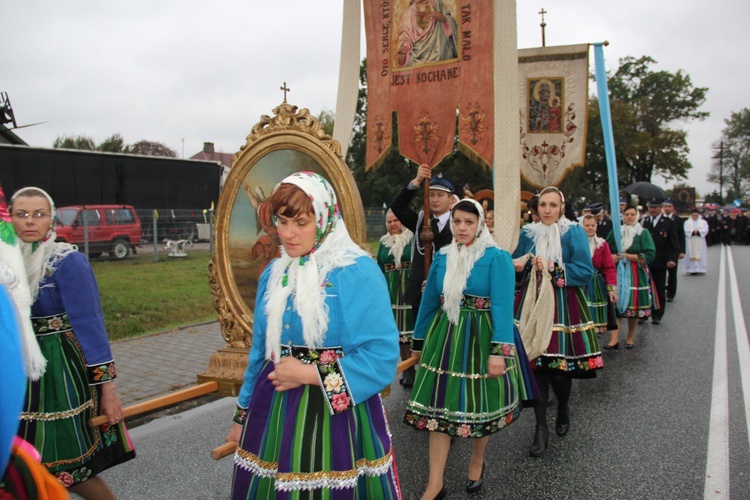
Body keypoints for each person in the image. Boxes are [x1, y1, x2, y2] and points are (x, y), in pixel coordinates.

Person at [226, 172, 400, 499]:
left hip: (337, 419)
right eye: (281, 221)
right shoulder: (274, 274)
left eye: (301, 223)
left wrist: (308, 373)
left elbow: (381, 357)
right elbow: (260, 352)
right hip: (273, 412)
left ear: (324, 218)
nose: (287, 234)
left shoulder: (356, 271)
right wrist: (241, 417)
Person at [404, 199, 535, 499]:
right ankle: (435, 483)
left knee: (479, 404)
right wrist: (419, 343)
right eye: (457, 222)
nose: (461, 228)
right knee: (438, 410)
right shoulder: (442, 257)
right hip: (445, 338)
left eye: (468, 222)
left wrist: (499, 352)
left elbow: (502, 306)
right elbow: (428, 304)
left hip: (480, 337)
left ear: (480, 225)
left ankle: (477, 459)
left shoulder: (496, 257)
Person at [10, 187, 135, 499]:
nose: (30, 221)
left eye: (39, 214)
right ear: (9, 218)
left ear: (52, 219)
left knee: (64, 467)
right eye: (21, 214)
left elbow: (91, 325)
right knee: (20, 465)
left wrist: (108, 390)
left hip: (60, 377)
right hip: (15, 373)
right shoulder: (6, 262)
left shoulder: (67, 261)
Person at [512, 186, 601, 458]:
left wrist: (553, 268)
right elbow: (517, 266)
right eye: (543, 205)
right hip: (532, 302)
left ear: (562, 207)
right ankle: (540, 428)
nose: (547, 210)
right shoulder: (527, 233)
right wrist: (525, 264)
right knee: (536, 364)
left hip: (563, 303)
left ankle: (562, 406)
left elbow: (585, 271)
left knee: (560, 369)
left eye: (553, 205)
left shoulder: (572, 232)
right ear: (536, 208)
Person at [390, 164, 456, 320]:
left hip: (449, 290)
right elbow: (397, 206)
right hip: (421, 291)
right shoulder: (421, 221)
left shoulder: (458, 224)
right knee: (422, 339)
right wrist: (417, 181)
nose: (434, 199)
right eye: (431, 194)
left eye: (440, 195)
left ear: (451, 199)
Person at [605, 205, 656, 348]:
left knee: (633, 307)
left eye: (632, 214)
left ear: (637, 215)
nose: (629, 217)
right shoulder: (616, 231)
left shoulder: (642, 233)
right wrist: (612, 257)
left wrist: (632, 256)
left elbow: (650, 254)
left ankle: (630, 337)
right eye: (627, 214)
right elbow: (605, 248)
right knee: (615, 303)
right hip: (616, 270)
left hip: (635, 273)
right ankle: (614, 339)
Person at [377, 209, 416, 387]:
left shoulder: (413, 239)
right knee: (399, 334)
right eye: (389, 221)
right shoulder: (383, 243)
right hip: (391, 293)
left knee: (414, 331)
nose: (392, 224)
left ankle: (421, 366)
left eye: (396, 220)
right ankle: (408, 370)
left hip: (410, 289)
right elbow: (380, 267)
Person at [641, 198, 679, 325]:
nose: (653, 209)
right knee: (644, 288)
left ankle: (657, 313)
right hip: (644, 261)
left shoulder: (668, 222)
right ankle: (643, 313)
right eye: (651, 207)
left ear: (660, 208)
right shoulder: (643, 222)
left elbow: (674, 243)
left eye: (655, 207)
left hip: (660, 261)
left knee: (659, 289)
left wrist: (672, 259)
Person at [581, 214, 618, 335]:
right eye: (587, 225)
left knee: (595, 319)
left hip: (596, 284)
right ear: (581, 226)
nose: (590, 228)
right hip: (580, 282)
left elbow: (609, 267)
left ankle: (594, 347)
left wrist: (611, 288)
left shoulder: (602, 244)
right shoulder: (576, 243)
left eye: (593, 225)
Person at [396, 0, 458, 68]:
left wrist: (444, 18)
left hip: (438, 50)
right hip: (416, 56)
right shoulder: (408, 12)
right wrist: (404, 47)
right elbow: (405, 33)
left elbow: (451, 21)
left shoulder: (437, 3)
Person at [662, 198, 685, 302]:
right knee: (661, 272)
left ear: (673, 208)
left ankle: (671, 293)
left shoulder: (678, 220)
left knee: (672, 273)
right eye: (665, 206)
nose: (667, 208)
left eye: (669, 206)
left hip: (673, 250)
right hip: (662, 250)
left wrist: (682, 251)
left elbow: (681, 236)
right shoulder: (661, 219)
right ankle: (661, 290)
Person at [684, 209, 709, 275]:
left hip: (699, 239)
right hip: (690, 239)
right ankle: (691, 269)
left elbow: (705, 229)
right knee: (690, 253)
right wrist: (692, 231)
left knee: (701, 253)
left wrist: (698, 232)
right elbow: (685, 230)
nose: (695, 216)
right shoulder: (687, 222)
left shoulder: (703, 222)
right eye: (693, 215)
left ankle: (700, 269)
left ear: (698, 215)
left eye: (696, 215)